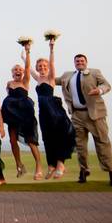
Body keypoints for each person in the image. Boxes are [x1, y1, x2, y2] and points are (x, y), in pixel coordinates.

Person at [58, 53, 112, 187]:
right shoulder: (67, 75)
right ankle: (84, 170)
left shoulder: (94, 72)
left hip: (95, 114)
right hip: (77, 115)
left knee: (102, 143)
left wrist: (100, 90)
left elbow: (106, 85)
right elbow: (50, 80)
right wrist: (36, 71)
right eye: (77, 61)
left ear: (86, 62)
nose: (79, 62)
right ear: (74, 63)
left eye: (82, 60)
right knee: (80, 146)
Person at [33, 39, 76, 179]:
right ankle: (51, 165)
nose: (42, 68)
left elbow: (52, 63)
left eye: (44, 66)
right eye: (40, 66)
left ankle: (60, 164)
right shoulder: (38, 79)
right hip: (43, 112)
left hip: (54, 110)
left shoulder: (51, 78)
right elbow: (28, 70)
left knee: (59, 136)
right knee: (47, 138)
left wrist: (51, 49)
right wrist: (26, 54)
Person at [1, 41, 42, 178]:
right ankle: (19, 165)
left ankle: (38, 166)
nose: (18, 71)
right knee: (12, 140)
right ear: (12, 73)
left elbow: (28, 66)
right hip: (13, 115)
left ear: (23, 73)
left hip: (25, 114)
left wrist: (27, 52)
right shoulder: (9, 83)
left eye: (20, 70)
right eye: (15, 70)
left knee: (31, 141)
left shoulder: (25, 81)